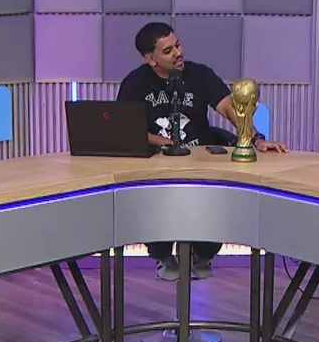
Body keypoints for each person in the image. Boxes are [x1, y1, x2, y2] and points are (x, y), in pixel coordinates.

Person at [116, 22, 289, 281]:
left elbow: (228, 108)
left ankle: (203, 253)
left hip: (199, 160)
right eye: (168, 51)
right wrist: (164, 143)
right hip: (158, 163)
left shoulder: (200, 75)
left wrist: (255, 139)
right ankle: (163, 255)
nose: (178, 53)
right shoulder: (135, 83)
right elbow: (128, 129)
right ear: (151, 59)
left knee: (215, 198)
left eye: (177, 45)